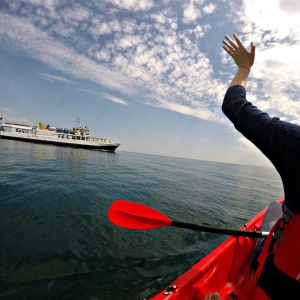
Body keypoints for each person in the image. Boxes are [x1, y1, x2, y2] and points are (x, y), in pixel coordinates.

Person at [220, 34, 300, 298]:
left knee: (274, 213)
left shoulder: (295, 143)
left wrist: (244, 68)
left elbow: (234, 105)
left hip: (278, 281)